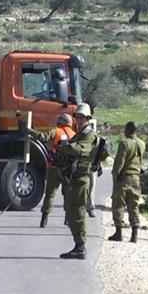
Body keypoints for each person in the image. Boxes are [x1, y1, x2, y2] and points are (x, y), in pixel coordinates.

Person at [56, 103, 107, 259]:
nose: (78, 120)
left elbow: (80, 150)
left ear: (87, 118)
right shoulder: (80, 133)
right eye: (76, 117)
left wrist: (65, 146)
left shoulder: (88, 135)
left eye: (81, 117)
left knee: (77, 213)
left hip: (81, 178)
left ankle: (80, 246)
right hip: (74, 177)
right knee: (72, 212)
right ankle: (78, 245)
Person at [28, 113, 76, 228]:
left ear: (60, 121)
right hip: (68, 170)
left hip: (54, 167)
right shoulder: (74, 134)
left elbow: (42, 137)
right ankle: (67, 219)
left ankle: (44, 220)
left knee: (50, 194)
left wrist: (29, 131)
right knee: (68, 194)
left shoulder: (56, 131)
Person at [109, 121, 146, 243]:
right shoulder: (142, 143)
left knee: (118, 204)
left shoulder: (124, 143)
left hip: (124, 177)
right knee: (133, 205)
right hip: (136, 177)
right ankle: (134, 235)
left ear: (128, 130)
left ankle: (118, 233)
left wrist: (115, 176)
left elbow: (120, 162)